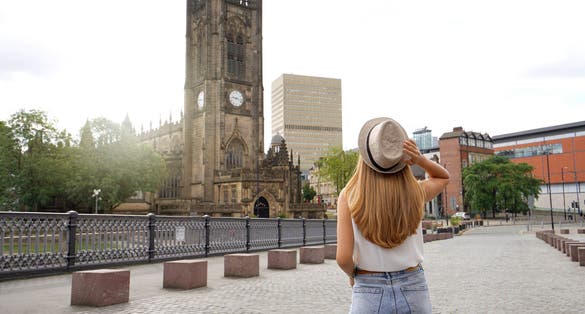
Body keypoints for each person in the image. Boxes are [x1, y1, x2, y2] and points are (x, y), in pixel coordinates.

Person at [336, 117, 450, 313]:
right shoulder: (416, 191)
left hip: (368, 286)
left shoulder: (349, 196)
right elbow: (443, 177)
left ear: (365, 157)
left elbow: (343, 258)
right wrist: (420, 159)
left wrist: (353, 275)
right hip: (413, 284)